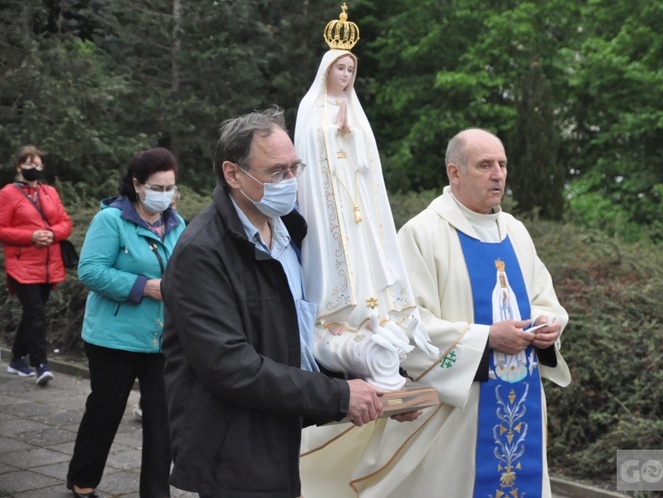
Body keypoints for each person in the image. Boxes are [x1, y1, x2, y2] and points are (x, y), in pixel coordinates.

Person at [299, 128, 571, 497]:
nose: (498, 174)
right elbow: (408, 323)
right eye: (485, 165)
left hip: (520, 397)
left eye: (503, 165)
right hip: (458, 412)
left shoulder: (516, 231)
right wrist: (487, 338)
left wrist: (546, 324)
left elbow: (544, 299)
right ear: (454, 173)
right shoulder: (422, 234)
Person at [160, 107, 384, 498]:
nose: (291, 182)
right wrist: (340, 396)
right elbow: (231, 366)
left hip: (284, 432)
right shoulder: (202, 252)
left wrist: (377, 385)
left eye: (295, 169)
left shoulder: (292, 234)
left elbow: (298, 342)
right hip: (233, 447)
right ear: (232, 174)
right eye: (276, 172)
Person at [294, 5, 436, 393]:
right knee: (335, 252)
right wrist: (333, 130)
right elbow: (307, 148)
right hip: (327, 203)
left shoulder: (355, 109)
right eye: (340, 68)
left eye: (350, 70)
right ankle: (335, 315)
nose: (345, 75)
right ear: (327, 70)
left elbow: (368, 160)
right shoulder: (312, 107)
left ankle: (372, 312)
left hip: (356, 200)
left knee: (363, 251)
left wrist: (351, 133)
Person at [66, 147, 186, 498]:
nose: (166, 195)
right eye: (158, 187)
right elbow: (89, 270)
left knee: (162, 422)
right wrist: (141, 287)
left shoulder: (177, 223)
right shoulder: (111, 220)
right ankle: (82, 483)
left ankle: (155, 492)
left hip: (161, 339)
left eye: (171, 188)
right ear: (137, 184)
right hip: (113, 339)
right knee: (105, 414)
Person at [0, 145, 73, 385]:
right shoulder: (8, 194)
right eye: (30, 164)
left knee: (33, 313)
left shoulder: (50, 192)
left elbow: (65, 222)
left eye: (39, 164)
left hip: (49, 264)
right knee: (36, 314)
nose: (35, 168)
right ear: (19, 166)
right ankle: (41, 364)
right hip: (21, 265)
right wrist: (30, 236)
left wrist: (51, 233)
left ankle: (17, 359)